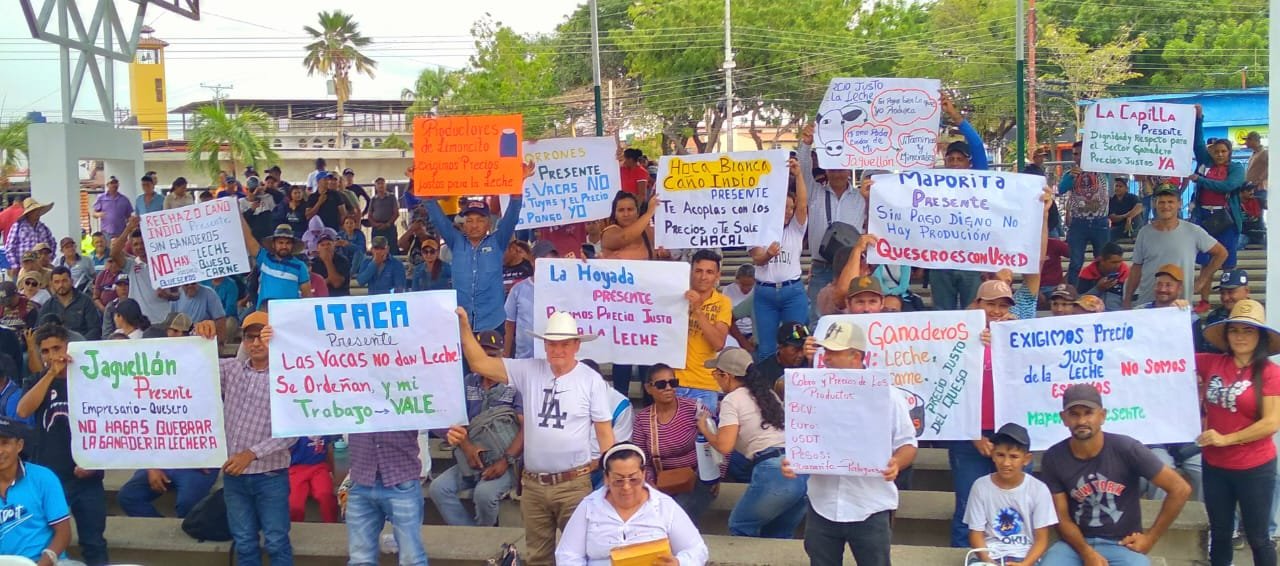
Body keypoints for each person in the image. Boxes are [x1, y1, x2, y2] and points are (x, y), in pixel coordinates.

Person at [453, 309, 615, 565]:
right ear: (545, 345)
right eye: (552, 343)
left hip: (573, 484)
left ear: (576, 345)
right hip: (534, 485)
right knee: (538, 557)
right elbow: (480, 364)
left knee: (581, 556)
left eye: (564, 344)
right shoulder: (528, 369)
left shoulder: (591, 380)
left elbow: (605, 435)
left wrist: (611, 481)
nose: (557, 349)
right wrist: (464, 325)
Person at [783, 320, 917, 566]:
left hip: (870, 505)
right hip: (822, 503)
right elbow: (802, 440)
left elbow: (908, 444)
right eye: (826, 351)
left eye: (834, 352)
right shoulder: (810, 393)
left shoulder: (889, 395)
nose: (827, 357)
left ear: (856, 356)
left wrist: (897, 463)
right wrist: (793, 461)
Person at [1039, 384, 1192, 566]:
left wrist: (1150, 538)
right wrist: (1086, 553)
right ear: (1064, 418)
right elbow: (1062, 518)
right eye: (1074, 414)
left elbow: (1180, 488)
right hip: (1075, 545)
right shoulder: (1054, 457)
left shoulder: (1127, 449)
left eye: (1088, 413)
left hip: (1121, 543)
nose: (1081, 421)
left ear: (1102, 415)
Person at [192, 312, 295, 566]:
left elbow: (292, 432)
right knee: (244, 542)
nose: (256, 343)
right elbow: (194, 364)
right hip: (234, 477)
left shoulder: (289, 376)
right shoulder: (232, 369)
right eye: (250, 337)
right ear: (243, 341)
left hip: (270, 476)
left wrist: (250, 454)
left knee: (276, 541)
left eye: (263, 337)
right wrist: (199, 334)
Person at [1195, 299, 1280, 566]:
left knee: (1258, 537)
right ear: (1226, 335)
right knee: (1220, 533)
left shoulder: (1270, 373)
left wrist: (1226, 439)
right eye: (1234, 330)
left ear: (1260, 336)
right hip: (1215, 466)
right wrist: (1177, 309)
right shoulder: (1211, 363)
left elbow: (1271, 423)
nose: (1240, 336)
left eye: (1248, 330)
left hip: (1255, 468)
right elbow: (1169, 356)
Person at [17, 324, 108, 565]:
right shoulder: (37, 380)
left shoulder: (91, 380)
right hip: (49, 478)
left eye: (57, 348)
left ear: (68, 347)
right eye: (45, 351)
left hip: (87, 478)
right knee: (47, 542)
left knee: (94, 543)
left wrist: (94, 462)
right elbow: (23, 410)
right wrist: (49, 375)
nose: (51, 355)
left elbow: (109, 425)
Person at [698, 348, 807, 538]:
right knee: (778, 535)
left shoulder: (732, 400)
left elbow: (724, 446)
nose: (716, 379)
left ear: (727, 376)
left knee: (739, 525)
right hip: (799, 470)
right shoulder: (768, 394)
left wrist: (705, 428)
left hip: (773, 471)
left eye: (716, 374)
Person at [556, 443, 710, 565]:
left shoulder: (664, 506)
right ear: (606, 478)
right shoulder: (589, 506)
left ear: (643, 474)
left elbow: (697, 549)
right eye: (618, 480)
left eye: (633, 479)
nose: (626, 487)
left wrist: (679, 562)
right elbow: (568, 554)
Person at [429, 330, 524, 527]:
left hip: (506, 460)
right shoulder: (468, 382)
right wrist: (468, 448)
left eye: (492, 355)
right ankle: (469, 534)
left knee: (484, 494)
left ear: (502, 356)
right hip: (471, 456)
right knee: (438, 488)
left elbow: (526, 428)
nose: (487, 360)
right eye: (482, 354)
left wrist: (505, 461)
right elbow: (455, 420)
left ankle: (484, 536)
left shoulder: (515, 385)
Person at [427, 170, 527, 334]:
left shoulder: (498, 242)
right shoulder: (456, 242)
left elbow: (512, 217)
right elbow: (439, 219)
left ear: (489, 224)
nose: (474, 225)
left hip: (493, 323)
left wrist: (518, 184)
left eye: (480, 220)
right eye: (470, 220)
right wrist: (422, 186)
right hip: (462, 323)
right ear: (464, 224)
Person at [928, 93, 992, 309]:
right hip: (940, 259)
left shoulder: (978, 180)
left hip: (970, 259)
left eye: (960, 159)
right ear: (945, 161)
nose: (955, 163)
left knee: (973, 312)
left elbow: (977, 145)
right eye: (951, 159)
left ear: (969, 163)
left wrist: (954, 115)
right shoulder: (933, 184)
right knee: (942, 315)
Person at [797, 122, 867, 321]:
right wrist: (806, 144)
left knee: (853, 318)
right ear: (826, 170)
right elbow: (802, 170)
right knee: (817, 319)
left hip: (851, 267)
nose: (837, 173)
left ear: (849, 170)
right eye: (833, 169)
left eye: (841, 169)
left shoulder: (861, 197)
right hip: (821, 268)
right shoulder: (814, 193)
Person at [632, 364, 715, 523]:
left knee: (676, 513)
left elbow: (717, 441)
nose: (668, 388)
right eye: (661, 384)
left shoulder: (694, 409)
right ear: (648, 388)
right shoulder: (643, 419)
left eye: (673, 383)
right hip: (661, 482)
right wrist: (650, 484)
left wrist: (716, 476)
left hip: (697, 479)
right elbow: (641, 459)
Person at [964, 423, 1057, 566]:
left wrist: (1025, 564)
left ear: (1026, 459)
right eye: (1000, 455)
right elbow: (976, 533)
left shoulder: (1039, 489)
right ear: (993, 455)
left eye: (1014, 457)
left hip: (1025, 556)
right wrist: (988, 561)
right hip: (989, 554)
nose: (1006, 463)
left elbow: (1041, 539)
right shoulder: (980, 486)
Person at [1125, 185, 1227, 308]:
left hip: (1180, 306)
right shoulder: (1144, 232)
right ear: (1155, 204)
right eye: (1161, 202)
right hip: (1147, 304)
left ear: (1179, 204)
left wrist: (1202, 280)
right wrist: (1127, 299)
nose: (1166, 206)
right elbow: (1136, 268)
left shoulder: (1193, 231)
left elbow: (1221, 253)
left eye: (1170, 202)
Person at [750, 157, 809, 362]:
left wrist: (798, 175)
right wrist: (768, 254)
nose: (789, 212)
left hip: (792, 292)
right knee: (766, 348)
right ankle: (769, 382)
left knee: (798, 343)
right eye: (784, 207)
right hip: (765, 294)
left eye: (791, 208)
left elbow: (803, 206)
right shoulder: (757, 229)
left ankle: (798, 379)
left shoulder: (795, 228)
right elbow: (757, 259)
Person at [1189, 107, 1247, 313]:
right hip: (1205, 217)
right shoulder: (1205, 163)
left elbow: (1228, 186)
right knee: (1206, 260)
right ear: (1211, 152)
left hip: (1227, 219)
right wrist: (1199, 119)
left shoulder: (1236, 168)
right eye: (1216, 151)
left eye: (1224, 151)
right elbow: (1197, 143)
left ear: (1229, 153)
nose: (1220, 154)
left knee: (1228, 263)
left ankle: (1230, 301)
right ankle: (1204, 301)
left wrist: (1201, 180)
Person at [0, 416, 73, 564]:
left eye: (5, 443)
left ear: (19, 445)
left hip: (46, 562)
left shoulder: (43, 478)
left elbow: (64, 533)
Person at [675, 250, 732, 413]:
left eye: (709, 272)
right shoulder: (676, 295)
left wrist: (698, 310)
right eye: (698, 271)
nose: (703, 277)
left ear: (718, 276)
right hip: (672, 382)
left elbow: (718, 344)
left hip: (705, 384)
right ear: (690, 272)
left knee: (704, 431)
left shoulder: (723, 302)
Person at [1059, 140, 1114, 287]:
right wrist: (1071, 177)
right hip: (1078, 223)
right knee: (1076, 262)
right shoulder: (1069, 174)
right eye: (1075, 154)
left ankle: (1102, 291)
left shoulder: (1103, 169)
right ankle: (1072, 292)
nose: (1077, 157)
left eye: (1081, 153)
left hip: (1100, 222)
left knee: (1103, 261)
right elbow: (1060, 189)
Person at [110, 216, 178, 323]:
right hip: (139, 322)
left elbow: (177, 294)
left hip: (163, 320)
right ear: (131, 247)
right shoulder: (131, 265)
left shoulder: (165, 263)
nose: (139, 247)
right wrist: (128, 228)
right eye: (135, 244)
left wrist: (167, 295)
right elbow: (114, 253)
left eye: (142, 243)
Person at [504, 240, 556, 359]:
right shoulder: (518, 289)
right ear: (532, 261)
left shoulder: (562, 288)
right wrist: (506, 354)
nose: (548, 265)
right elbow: (509, 324)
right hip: (524, 359)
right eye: (543, 261)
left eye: (552, 261)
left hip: (553, 358)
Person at [243, 222, 312, 309]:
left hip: (289, 312)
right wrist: (238, 215)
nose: (284, 246)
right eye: (280, 243)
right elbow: (249, 239)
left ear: (292, 245)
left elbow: (307, 295)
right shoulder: (265, 258)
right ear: (273, 244)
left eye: (288, 243)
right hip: (265, 311)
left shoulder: (300, 266)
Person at [286, 435, 340, 523]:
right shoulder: (293, 432)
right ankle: (296, 527)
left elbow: (329, 451)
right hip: (296, 468)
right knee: (295, 505)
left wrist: (334, 474)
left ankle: (331, 524)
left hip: (319, 467)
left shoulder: (324, 431)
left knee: (325, 495)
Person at [41, 266, 102, 341]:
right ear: (52, 284)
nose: (61, 285)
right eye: (57, 282)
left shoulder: (86, 301)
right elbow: (39, 330)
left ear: (72, 281)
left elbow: (95, 329)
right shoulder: (48, 305)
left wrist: (81, 343)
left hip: (81, 343)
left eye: (64, 281)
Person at [1198, 269, 1251, 354]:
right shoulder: (1214, 317)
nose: (1225, 298)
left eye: (1231, 292)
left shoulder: (1258, 315)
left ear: (1246, 291)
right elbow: (1207, 350)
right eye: (1222, 293)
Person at [5, 198, 56, 278]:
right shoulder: (18, 226)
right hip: (23, 267)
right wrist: (15, 265)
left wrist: (49, 259)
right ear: (29, 213)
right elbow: (10, 247)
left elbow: (52, 243)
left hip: (41, 268)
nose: (37, 214)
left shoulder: (43, 227)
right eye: (35, 211)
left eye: (38, 211)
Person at [600, 192, 659, 260]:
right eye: (621, 210)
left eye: (630, 209)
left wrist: (661, 254)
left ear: (637, 213)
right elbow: (624, 237)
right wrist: (649, 213)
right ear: (615, 215)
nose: (626, 214)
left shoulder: (648, 232)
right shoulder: (608, 234)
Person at [761, 321, 811, 398]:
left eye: (803, 349)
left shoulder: (811, 363)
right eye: (796, 350)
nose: (801, 355)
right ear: (780, 347)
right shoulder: (763, 372)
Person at [1077, 242, 1130, 313]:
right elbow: (1079, 301)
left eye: (1119, 262)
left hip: (1118, 315)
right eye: (1113, 262)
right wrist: (1098, 289)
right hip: (1093, 315)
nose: (1117, 265)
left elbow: (1132, 299)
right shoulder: (1087, 273)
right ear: (1102, 260)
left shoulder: (1126, 273)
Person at [723, 264, 756, 352]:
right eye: (742, 285)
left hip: (753, 332)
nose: (745, 289)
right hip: (733, 331)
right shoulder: (728, 290)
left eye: (749, 285)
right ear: (737, 281)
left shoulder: (758, 291)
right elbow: (727, 318)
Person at [311, 230, 351, 297]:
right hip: (320, 299)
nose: (326, 247)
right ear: (317, 248)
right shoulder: (313, 263)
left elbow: (336, 283)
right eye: (322, 245)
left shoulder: (343, 261)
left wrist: (327, 261)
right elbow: (313, 286)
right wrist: (328, 280)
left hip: (340, 298)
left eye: (328, 244)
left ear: (334, 246)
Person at [367, 177, 401, 251]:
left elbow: (396, 213)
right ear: (376, 186)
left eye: (382, 183)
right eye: (378, 184)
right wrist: (375, 224)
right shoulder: (373, 199)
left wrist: (388, 224)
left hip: (389, 227)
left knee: (392, 248)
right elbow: (369, 215)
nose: (380, 185)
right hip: (377, 227)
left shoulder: (392, 197)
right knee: (377, 248)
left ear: (385, 185)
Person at [1109, 177, 1144, 241]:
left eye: (1120, 186)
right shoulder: (1112, 200)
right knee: (1108, 233)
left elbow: (1140, 207)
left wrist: (1129, 217)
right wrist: (1126, 216)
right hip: (1120, 227)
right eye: (1116, 186)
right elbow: (1112, 218)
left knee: (1137, 217)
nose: (1117, 188)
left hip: (1133, 225)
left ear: (1126, 189)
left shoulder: (1132, 197)